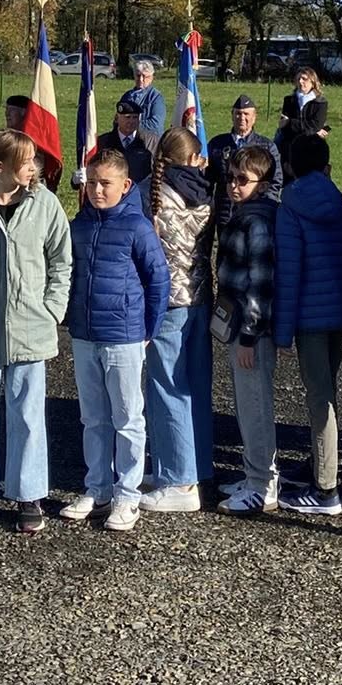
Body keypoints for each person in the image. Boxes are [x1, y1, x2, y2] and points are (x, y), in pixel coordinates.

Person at [0, 128, 72, 536]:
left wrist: (52, 309)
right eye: (25, 162)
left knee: (27, 415)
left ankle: (28, 494)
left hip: (31, 327)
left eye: (33, 161)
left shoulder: (45, 204)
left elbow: (61, 260)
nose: (33, 168)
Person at [61, 150, 169, 532]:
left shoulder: (137, 227)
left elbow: (158, 279)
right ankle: (98, 488)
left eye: (105, 183)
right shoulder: (80, 225)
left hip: (123, 336)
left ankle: (128, 494)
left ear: (125, 186)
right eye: (91, 182)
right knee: (93, 417)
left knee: (127, 419)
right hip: (85, 334)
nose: (96, 190)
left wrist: (148, 330)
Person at [273, 134, 342, 517]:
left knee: (319, 399)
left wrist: (282, 332)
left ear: (290, 166)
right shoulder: (339, 203)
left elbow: (289, 271)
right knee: (327, 392)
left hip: (308, 315)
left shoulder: (290, 205)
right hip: (337, 311)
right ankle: (320, 463)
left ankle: (326, 488)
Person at [140, 128, 215, 515]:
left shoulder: (150, 193)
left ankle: (178, 479)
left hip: (168, 302)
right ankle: (196, 467)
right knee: (196, 386)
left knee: (167, 387)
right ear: (194, 158)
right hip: (201, 298)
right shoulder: (209, 191)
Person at [214, 144, 280, 515]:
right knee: (244, 402)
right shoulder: (244, 215)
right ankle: (252, 473)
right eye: (231, 178)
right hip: (239, 323)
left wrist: (250, 336)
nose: (234, 185)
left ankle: (262, 485)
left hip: (250, 330)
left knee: (255, 405)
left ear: (263, 184)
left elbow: (260, 283)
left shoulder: (257, 223)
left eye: (243, 179)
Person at [207, 97, 283, 237]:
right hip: (225, 212)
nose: (242, 118)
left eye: (246, 114)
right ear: (232, 115)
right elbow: (208, 178)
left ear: (254, 117)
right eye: (238, 113)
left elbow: (275, 181)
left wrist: (262, 206)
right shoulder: (217, 144)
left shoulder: (266, 146)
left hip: (256, 214)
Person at [97, 95, 159, 188]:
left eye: (135, 117)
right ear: (117, 118)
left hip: (141, 191)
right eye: (127, 117)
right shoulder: (103, 141)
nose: (131, 121)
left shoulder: (151, 141)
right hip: (112, 190)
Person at [274, 66, 329, 172]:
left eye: (304, 79)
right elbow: (284, 127)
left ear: (312, 82)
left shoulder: (320, 103)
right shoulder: (289, 100)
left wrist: (290, 122)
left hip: (312, 148)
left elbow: (316, 125)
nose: (300, 81)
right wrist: (313, 131)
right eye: (298, 78)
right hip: (290, 148)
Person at [123, 58, 168, 137]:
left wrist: (131, 125)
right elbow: (117, 121)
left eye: (144, 76)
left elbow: (156, 124)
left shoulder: (156, 97)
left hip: (149, 140)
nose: (141, 79)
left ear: (151, 78)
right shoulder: (127, 96)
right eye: (138, 76)